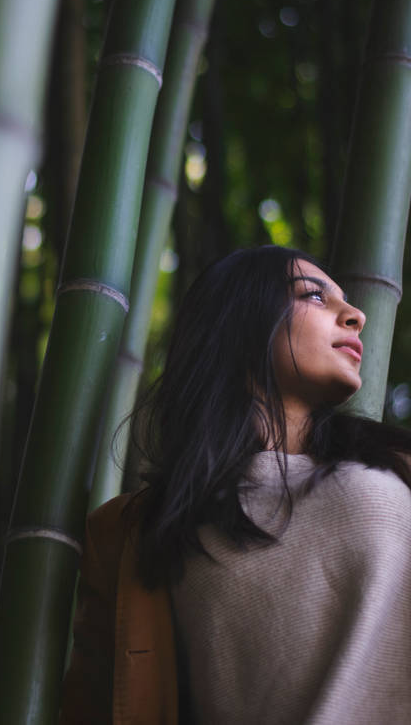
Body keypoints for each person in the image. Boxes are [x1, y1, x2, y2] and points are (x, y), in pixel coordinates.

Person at [60, 245, 411, 725]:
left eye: (347, 301)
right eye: (314, 296)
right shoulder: (131, 534)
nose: (356, 316)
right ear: (241, 320)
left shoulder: (396, 466)